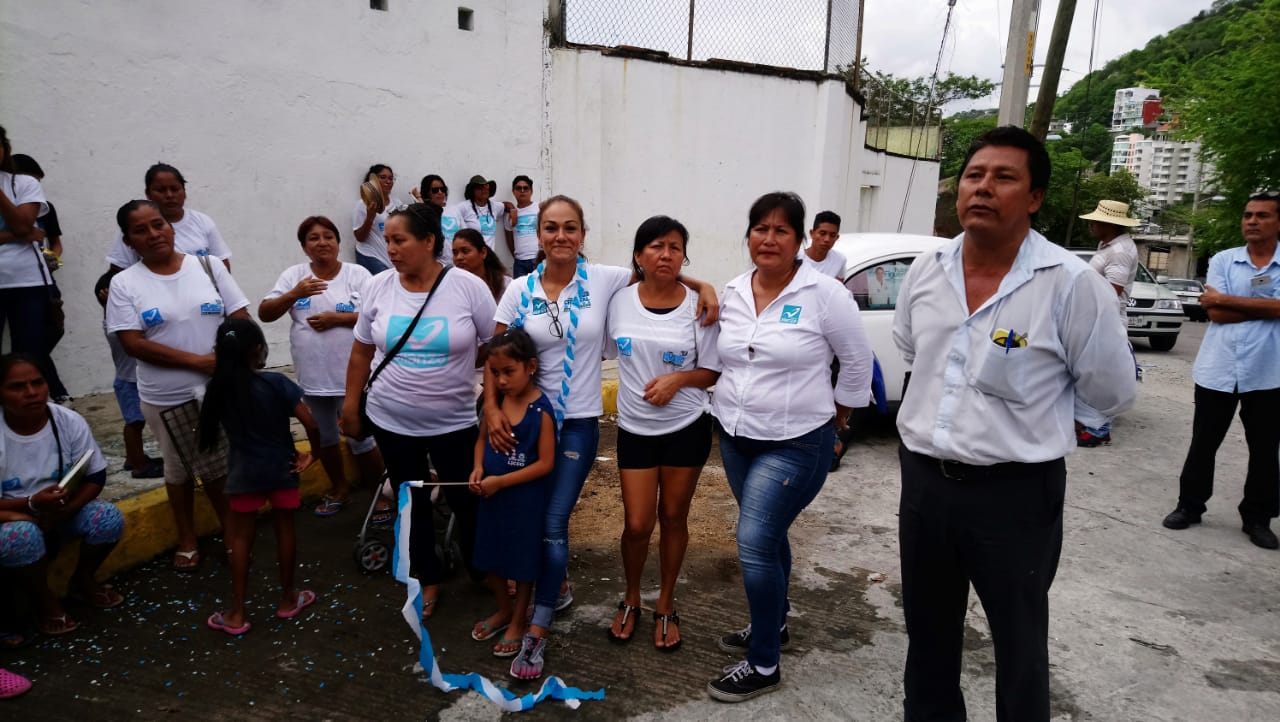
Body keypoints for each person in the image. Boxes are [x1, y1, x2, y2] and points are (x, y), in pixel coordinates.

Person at [893, 126, 1137, 721]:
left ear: (1034, 198)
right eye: (974, 175)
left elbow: (1110, 390)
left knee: (1020, 646)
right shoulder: (927, 270)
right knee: (927, 639)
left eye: (1004, 177)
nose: (983, 188)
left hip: (1016, 496)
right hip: (924, 485)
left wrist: (1032, 422)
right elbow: (909, 352)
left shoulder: (1071, 283)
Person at [488, 195, 718, 680]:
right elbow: (496, 353)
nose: (560, 237)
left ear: (583, 235)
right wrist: (490, 406)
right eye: (550, 228)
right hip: (526, 422)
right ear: (538, 234)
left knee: (553, 522)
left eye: (570, 228)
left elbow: (663, 272)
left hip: (577, 421)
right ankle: (550, 591)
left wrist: (705, 285)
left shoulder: (604, 280)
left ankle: (539, 626)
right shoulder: (517, 289)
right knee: (533, 518)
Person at [706, 192, 872, 703]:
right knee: (771, 537)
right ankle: (771, 626)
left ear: (799, 240)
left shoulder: (825, 294)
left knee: (753, 540)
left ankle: (763, 665)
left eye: (781, 230)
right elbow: (723, 357)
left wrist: (840, 418)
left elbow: (858, 361)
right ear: (749, 236)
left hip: (798, 441)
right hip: (735, 436)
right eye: (760, 228)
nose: (768, 238)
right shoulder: (733, 291)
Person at [341, 202, 496, 619]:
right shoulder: (379, 287)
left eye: (399, 239)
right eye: (387, 240)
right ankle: (427, 578)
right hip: (392, 419)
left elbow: (494, 347)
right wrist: (351, 405)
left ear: (429, 242)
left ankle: (485, 569)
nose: (390, 249)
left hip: (455, 421)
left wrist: (487, 394)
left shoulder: (466, 287)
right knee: (413, 501)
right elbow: (361, 352)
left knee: (468, 500)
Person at [105, 199, 251, 572]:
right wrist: (198, 362)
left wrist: (233, 357)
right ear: (128, 240)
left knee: (220, 467)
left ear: (170, 226)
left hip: (220, 390)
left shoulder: (208, 266)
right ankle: (187, 536)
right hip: (166, 397)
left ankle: (231, 533)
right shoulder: (124, 283)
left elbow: (238, 315)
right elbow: (132, 342)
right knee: (178, 469)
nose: (154, 234)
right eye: (141, 230)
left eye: (158, 225)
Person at [604, 215, 720, 651]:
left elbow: (712, 371)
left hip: (686, 427)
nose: (665, 254)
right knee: (636, 525)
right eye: (655, 246)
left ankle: (666, 601)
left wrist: (678, 380)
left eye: (674, 247)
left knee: (673, 518)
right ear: (638, 255)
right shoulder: (618, 301)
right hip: (635, 428)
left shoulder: (700, 306)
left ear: (684, 255)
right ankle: (632, 596)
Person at [1162, 191, 1280, 550]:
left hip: (1269, 372)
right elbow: (1215, 314)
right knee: (1203, 442)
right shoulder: (1225, 260)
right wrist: (1269, 307)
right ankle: (1190, 506)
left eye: (1261, 215)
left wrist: (1228, 300)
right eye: (1248, 215)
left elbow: (1221, 303)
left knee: (1264, 450)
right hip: (1219, 368)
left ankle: (1258, 519)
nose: (1252, 221)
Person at [198, 319, 321, 635]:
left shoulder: (218, 390)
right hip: (282, 468)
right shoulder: (275, 383)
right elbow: (312, 423)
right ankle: (288, 599)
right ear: (257, 350)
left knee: (240, 538)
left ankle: (237, 612)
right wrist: (313, 454)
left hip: (243, 471)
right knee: (285, 530)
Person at [259, 216, 384, 517]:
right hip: (312, 377)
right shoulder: (294, 276)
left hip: (350, 377)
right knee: (325, 438)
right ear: (304, 247)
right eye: (313, 238)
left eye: (328, 236)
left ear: (338, 243)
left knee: (361, 437)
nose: (322, 242)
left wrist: (337, 319)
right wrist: (294, 294)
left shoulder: (357, 275)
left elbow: (381, 315)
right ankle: (339, 488)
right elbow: (265, 313)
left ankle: (379, 493)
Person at [0, 353, 126, 637]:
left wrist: (64, 511)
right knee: (21, 535)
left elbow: (96, 476)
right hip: (12, 515)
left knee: (107, 518)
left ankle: (83, 580)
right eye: (17, 387)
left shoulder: (68, 421)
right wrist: (30, 506)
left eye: (38, 382)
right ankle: (44, 600)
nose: (31, 392)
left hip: (60, 509)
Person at [467, 327, 556, 674]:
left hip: (524, 503)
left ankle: (519, 618)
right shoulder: (496, 405)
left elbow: (546, 464)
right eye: (495, 373)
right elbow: (481, 441)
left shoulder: (541, 411)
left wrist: (501, 481)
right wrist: (477, 468)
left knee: (521, 564)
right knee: (489, 557)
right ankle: (503, 609)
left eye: (509, 372)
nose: (501, 381)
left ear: (530, 366)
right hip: (490, 498)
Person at [1074, 200, 1140, 448]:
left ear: (1109, 224)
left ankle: (1099, 428)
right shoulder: (1108, 246)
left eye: (1095, 220)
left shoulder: (1120, 250)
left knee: (1097, 377)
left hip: (1106, 319)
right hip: (1097, 318)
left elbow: (1112, 291)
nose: (1091, 224)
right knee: (1088, 374)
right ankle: (1087, 424)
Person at [0, 127, 57, 400]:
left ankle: (39, 407)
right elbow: (24, 230)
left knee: (31, 353)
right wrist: (17, 235)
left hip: (27, 282)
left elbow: (24, 224)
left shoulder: (24, 184)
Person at [10, 154, 69, 403]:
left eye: (37, 181)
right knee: (27, 345)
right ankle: (56, 392)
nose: (34, 186)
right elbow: (26, 233)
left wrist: (54, 258)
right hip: (15, 280)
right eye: (30, 180)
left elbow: (54, 241)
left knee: (49, 333)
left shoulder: (45, 206)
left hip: (44, 279)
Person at [93, 272, 164, 479]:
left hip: (136, 380)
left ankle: (133, 457)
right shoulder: (114, 325)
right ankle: (139, 465)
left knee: (137, 421)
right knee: (134, 423)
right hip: (129, 382)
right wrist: (110, 303)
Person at [104, 163, 233, 272]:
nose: (169, 195)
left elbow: (222, 265)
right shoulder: (136, 228)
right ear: (148, 194)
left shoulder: (202, 221)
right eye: (161, 190)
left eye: (175, 189)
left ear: (184, 192)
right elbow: (117, 271)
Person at [352, 164, 398, 275]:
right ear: (373, 181)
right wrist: (370, 217)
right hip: (371, 256)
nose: (388, 181)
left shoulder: (397, 203)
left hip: (391, 258)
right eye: (383, 177)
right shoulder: (362, 205)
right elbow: (360, 237)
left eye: (391, 178)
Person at [452, 228, 510, 302]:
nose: (458, 257)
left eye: (465, 251)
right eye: (455, 253)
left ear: (483, 252)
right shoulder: (453, 288)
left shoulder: (506, 285)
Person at [458, 175, 508, 254]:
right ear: (472, 191)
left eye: (486, 186)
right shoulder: (464, 207)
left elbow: (506, 205)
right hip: (472, 258)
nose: (483, 190)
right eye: (479, 188)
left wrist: (513, 210)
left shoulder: (494, 206)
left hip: (490, 259)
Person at [505, 176, 539, 278]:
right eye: (518, 188)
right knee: (520, 293)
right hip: (519, 263)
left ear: (531, 191)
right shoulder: (508, 214)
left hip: (538, 259)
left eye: (526, 188)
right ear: (513, 191)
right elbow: (509, 237)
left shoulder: (539, 208)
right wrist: (516, 255)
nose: (522, 191)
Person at [800, 210, 845, 281]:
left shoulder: (839, 260)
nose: (827, 239)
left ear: (837, 238)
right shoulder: (795, 259)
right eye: (822, 233)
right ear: (812, 233)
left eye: (832, 235)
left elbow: (838, 287)